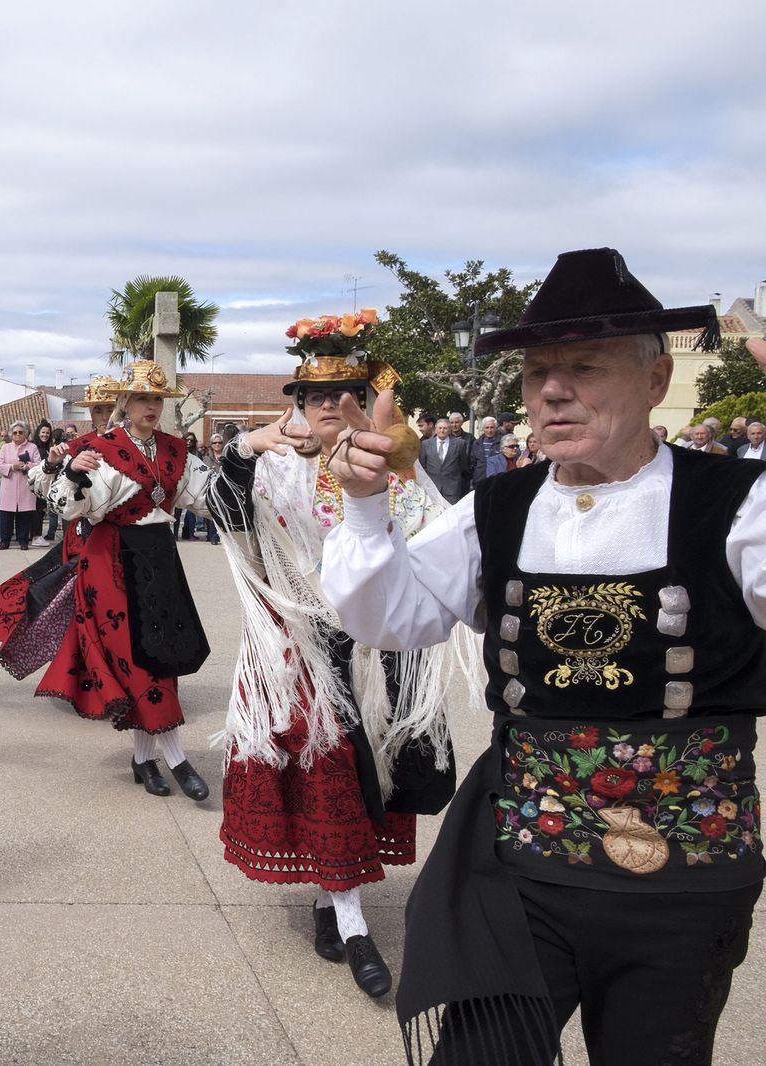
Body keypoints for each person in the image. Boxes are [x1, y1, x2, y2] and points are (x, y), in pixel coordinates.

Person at [319, 248, 762, 1065]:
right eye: (536, 373)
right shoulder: (497, 506)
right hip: (520, 863)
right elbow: (390, 618)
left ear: (656, 379)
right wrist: (365, 504)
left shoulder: (738, 504)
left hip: (683, 873)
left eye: (584, 366)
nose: (553, 390)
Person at [211, 315, 464, 1002]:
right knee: (330, 778)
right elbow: (224, 517)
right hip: (302, 649)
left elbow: (441, 541)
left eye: (346, 392)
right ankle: (352, 924)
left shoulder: (391, 466)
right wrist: (242, 448)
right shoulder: (271, 468)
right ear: (297, 404)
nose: (330, 404)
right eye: (316, 395)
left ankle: (332, 902)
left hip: (379, 648)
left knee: (372, 776)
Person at [0, 360, 219, 802]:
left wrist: (247, 457)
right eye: (142, 398)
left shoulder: (173, 450)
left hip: (161, 560)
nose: (151, 406)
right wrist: (68, 471)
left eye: (156, 399)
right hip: (112, 563)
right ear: (125, 403)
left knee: (159, 655)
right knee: (139, 662)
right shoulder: (98, 448)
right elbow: (64, 506)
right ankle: (178, 760)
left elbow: (208, 498)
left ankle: (143, 759)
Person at [0, 420, 40, 550]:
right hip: (8, 486)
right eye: (15, 433)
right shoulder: (5, 447)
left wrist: (27, 466)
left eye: (20, 432)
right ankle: (5, 541)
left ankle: (23, 541)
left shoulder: (32, 447)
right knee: (6, 515)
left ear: (25, 433)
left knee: (24, 515)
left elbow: (39, 464)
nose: (18, 434)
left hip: (25, 486)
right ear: (11, 434)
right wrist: (12, 467)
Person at [419, 417, 472, 503]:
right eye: (440, 428)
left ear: (449, 429)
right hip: (432, 487)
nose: (442, 431)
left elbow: (463, 466)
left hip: (452, 489)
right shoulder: (426, 444)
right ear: (436, 429)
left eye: (445, 428)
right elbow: (423, 465)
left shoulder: (460, 444)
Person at [31, 420, 58, 546]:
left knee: (40, 510)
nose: (45, 435)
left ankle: (35, 535)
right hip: (35, 483)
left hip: (45, 483)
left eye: (47, 433)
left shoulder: (49, 448)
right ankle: (36, 536)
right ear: (38, 433)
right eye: (43, 432)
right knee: (36, 510)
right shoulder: (34, 447)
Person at [174, 430, 202, 541]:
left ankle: (190, 534)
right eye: (187, 439)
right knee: (177, 512)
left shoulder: (197, 454)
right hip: (179, 483)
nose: (189, 442)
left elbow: (200, 469)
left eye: (191, 440)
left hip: (192, 484)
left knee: (191, 512)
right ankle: (175, 535)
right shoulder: (177, 451)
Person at [470, 415, 505, 486]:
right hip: (480, 480)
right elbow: (473, 463)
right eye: (487, 427)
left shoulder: (503, 442)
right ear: (483, 428)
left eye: (492, 427)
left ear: (496, 428)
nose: (489, 430)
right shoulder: (476, 443)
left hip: (497, 480)